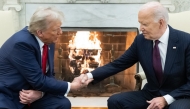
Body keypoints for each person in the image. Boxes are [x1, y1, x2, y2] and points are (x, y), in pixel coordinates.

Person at [81, 1, 190, 109]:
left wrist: (166, 99)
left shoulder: (186, 41)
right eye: (140, 23)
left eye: (145, 24)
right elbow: (118, 64)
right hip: (151, 94)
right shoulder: (141, 41)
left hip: (179, 96)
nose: (140, 28)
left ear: (161, 23)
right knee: (115, 101)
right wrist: (89, 76)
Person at [0, 7, 86, 109]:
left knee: (62, 104)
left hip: (33, 91)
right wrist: (72, 86)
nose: (60, 32)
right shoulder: (22, 43)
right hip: (10, 94)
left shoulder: (48, 40)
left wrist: (41, 93)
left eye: (60, 27)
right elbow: (38, 80)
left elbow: (49, 74)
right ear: (40, 32)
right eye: (56, 29)